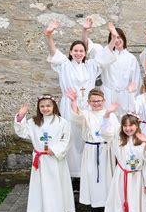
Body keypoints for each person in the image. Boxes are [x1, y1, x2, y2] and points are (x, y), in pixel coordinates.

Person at [45, 20, 118, 179]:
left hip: (87, 107)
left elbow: (107, 53)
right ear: (70, 52)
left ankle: (87, 173)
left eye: (81, 51)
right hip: (69, 106)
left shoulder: (91, 65)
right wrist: (49, 35)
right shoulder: (64, 65)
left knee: (88, 136)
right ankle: (71, 173)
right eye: (75, 50)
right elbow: (53, 51)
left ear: (85, 53)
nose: (78, 53)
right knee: (70, 136)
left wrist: (113, 36)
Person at [14, 95, 75, 212]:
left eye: (48, 105)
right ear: (38, 108)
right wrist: (20, 117)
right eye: (42, 106)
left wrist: (55, 149)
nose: (45, 108)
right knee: (41, 186)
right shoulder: (33, 122)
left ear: (54, 106)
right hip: (40, 160)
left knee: (56, 186)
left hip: (54, 159)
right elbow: (22, 132)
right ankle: (43, 211)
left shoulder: (61, 122)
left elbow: (67, 140)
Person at [67, 88, 117, 212]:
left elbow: (117, 133)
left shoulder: (110, 115)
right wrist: (74, 101)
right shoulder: (86, 114)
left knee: (107, 178)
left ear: (104, 101)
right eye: (93, 101)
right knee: (92, 178)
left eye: (99, 101)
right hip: (90, 150)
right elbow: (76, 116)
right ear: (89, 102)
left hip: (106, 150)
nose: (96, 103)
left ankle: (107, 206)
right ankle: (95, 208)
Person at [83, 19, 141, 117]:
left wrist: (132, 97)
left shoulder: (131, 58)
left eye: (119, 37)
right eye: (114, 37)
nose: (117, 41)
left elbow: (135, 81)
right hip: (108, 93)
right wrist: (85, 31)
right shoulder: (105, 53)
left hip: (124, 95)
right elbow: (88, 47)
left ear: (124, 38)